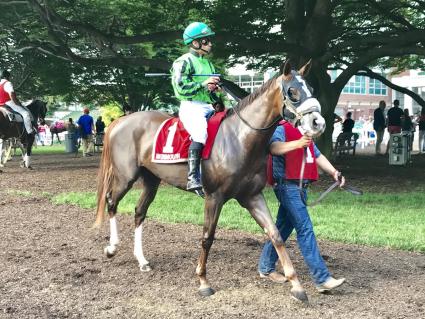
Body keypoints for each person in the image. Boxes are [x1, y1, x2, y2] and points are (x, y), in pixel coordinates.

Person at [258, 120, 346, 292]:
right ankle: (322, 279)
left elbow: (317, 155)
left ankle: (265, 267)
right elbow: (274, 148)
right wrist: (298, 143)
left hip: (299, 188)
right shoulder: (281, 128)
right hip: (287, 187)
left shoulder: (304, 132)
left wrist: (334, 172)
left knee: (283, 227)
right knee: (305, 229)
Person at [171, 22, 223, 195]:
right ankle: (193, 177)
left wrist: (216, 91)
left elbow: (211, 93)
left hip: (208, 106)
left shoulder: (209, 65)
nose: (210, 44)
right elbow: (179, 88)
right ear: (195, 43)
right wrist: (203, 84)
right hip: (191, 106)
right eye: (206, 40)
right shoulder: (183, 61)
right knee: (200, 133)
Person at [0, 70, 34, 134]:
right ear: (7, 76)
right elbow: (12, 95)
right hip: (8, 102)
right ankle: (30, 131)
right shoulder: (8, 83)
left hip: (0, 104)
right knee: (25, 114)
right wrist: (17, 103)